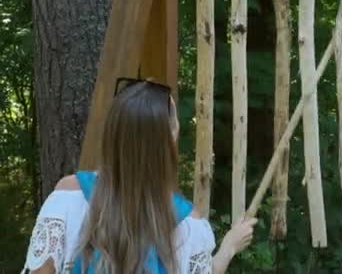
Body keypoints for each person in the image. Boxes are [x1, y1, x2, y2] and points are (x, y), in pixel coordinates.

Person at [22, 78, 257, 273]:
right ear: (170, 142)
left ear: (113, 133)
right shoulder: (189, 226)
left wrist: (230, 246)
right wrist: (228, 248)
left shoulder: (68, 198)